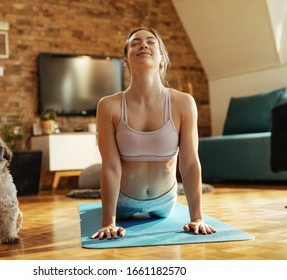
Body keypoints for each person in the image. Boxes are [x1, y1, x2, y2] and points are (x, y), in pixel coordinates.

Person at [91, 27, 216, 240]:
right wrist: (108, 222)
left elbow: (190, 163)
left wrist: (197, 218)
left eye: (151, 41)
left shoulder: (183, 103)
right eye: (135, 43)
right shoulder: (108, 106)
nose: (143, 45)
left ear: (162, 58)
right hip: (123, 202)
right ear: (126, 61)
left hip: (165, 201)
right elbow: (111, 166)